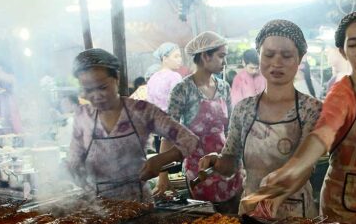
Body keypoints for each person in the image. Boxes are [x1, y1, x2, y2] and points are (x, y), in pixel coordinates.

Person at [259, 11, 356, 224]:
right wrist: (289, 172)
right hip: (341, 209)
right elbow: (321, 136)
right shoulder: (341, 94)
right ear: (343, 52)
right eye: (352, 45)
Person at [199, 19, 322, 218]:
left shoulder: (311, 109)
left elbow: (304, 168)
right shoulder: (243, 109)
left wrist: (271, 193)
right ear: (259, 56)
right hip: (251, 212)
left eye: (287, 55)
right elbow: (231, 162)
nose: (276, 63)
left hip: (297, 216)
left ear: (300, 58)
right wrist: (217, 162)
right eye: (269, 54)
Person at [66, 48, 198, 202]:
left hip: (138, 205)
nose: (96, 96)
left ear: (117, 78)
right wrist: (74, 171)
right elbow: (74, 160)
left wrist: (160, 160)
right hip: (98, 208)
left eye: (102, 87)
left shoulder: (141, 110)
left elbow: (189, 140)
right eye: (88, 90)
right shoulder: (83, 116)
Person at [155, 31, 244, 213]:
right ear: (205, 56)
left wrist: (239, 162)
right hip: (199, 170)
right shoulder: (182, 90)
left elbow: (231, 131)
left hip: (226, 164)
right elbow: (168, 136)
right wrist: (163, 176)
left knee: (234, 219)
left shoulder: (224, 87)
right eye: (221, 56)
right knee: (207, 221)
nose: (225, 62)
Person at [146, 42, 184, 113]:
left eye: (180, 56)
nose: (180, 59)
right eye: (176, 56)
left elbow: (149, 102)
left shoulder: (152, 78)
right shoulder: (175, 76)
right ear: (165, 59)